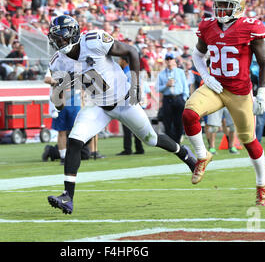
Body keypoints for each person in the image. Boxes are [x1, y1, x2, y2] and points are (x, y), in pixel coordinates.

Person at [45, 15, 197, 214]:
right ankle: (68, 197)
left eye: (62, 37)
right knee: (75, 140)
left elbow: (132, 51)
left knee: (151, 139)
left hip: (125, 101)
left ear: (72, 34)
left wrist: (135, 86)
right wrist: (57, 94)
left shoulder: (94, 40)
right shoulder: (58, 62)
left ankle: (184, 153)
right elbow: (59, 100)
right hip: (98, 105)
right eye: (56, 39)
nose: (59, 42)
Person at [181, 0, 265, 206]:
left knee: (249, 141)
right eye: (219, 5)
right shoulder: (208, 26)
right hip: (215, 86)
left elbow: (264, 62)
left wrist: (261, 93)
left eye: (226, 6)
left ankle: (262, 184)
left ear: (238, 7)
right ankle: (203, 155)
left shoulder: (250, 27)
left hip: (240, 92)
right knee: (189, 114)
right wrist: (206, 75)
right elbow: (198, 54)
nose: (221, 10)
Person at [156, 52, 189, 144]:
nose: (169, 61)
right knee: (167, 122)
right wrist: (166, 85)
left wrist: (184, 98)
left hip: (178, 98)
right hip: (167, 99)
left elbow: (185, 86)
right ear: (165, 61)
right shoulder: (161, 74)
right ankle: (172, 141)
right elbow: (157, 88)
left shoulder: (180, 72)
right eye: (168, 59)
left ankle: (177, 141)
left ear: (174, 61)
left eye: (171, 59)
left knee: (179, 121)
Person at [116, 56, 144, 155]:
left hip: (127, 101)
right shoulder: (133, 71)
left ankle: (128, 149)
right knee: (136, 125)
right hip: (135, 100)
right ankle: (139, 148)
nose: (119, 61)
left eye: (120, 60)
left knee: (127, 126)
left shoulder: (125, 73)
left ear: (124, 61)